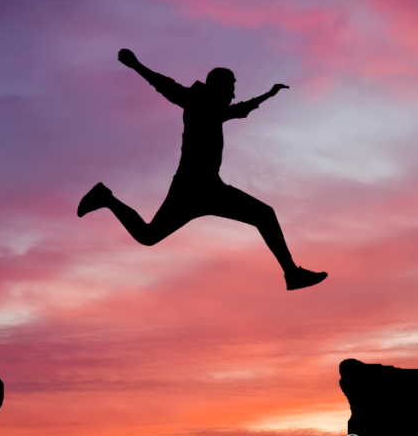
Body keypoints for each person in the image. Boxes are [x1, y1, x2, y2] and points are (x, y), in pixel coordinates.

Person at [78, 49, 327, 290]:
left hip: (210, 189)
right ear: (217, 86)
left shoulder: (216, 111)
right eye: (230, 87)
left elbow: (240, 110)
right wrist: (137, 65)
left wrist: (269, 94)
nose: (232, 93)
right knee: (149, 236)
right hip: (191, 190)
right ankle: (106, 198)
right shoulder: (195, 101)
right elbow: (164, 84)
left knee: (263, 215)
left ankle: (292, 274)